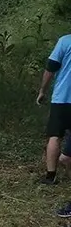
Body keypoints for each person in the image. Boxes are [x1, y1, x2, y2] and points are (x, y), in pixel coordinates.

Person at [36, 32, 71, 189]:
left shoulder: (65, 41)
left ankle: (51, 176)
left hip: (62, 99)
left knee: (55, 136)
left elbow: (51, 68)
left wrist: (42, 90)